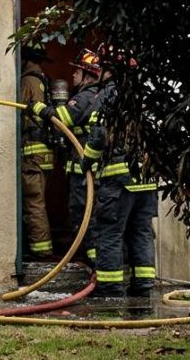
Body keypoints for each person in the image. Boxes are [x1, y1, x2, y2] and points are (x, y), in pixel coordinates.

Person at [79, 44, 157, 297]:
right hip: (146, 179)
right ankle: (143, 285)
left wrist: (87, 159)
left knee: (110, 233)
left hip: (118, 179)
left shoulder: (111, 94)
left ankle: (111, 287)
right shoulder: (145, 93)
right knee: (141, 232)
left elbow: (100, 133)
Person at [27, 48, 107, 265]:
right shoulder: (100, 95)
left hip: (84, 169)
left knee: (85, 217)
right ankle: (96, 263)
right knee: (91, 217)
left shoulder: (84, 97)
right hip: (87, 168)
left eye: (77, 72)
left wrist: (40, 109)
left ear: (88, 75)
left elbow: (62, 120)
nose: (73, 76)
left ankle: (94, 264)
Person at [20, 46, 54, 259]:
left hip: (32, 154)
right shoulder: (43, 80)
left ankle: (41, 252)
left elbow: (19, 110)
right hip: (45, 154)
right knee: (39, 200)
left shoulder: (28, 81)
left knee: (34, 202)